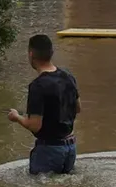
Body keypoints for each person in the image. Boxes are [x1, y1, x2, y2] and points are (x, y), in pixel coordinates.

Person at [7, 34, 81, 175]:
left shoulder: (38, 86)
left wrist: (16, 117)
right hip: (70, 147)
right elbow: (77, 108)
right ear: (51, 53)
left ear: (31, 54)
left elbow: (35, 125)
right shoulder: (68, 76)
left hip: (49, 151)